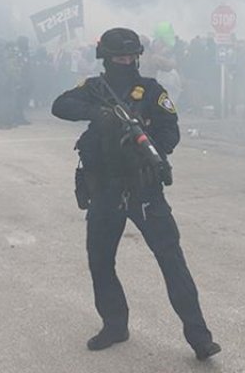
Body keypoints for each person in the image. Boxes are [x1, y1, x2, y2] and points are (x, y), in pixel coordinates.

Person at [51, 27, 220, 361]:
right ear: (107, 58)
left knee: (171, 261)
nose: (126, 61)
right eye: (119, 57)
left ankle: (199, 337)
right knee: (100, 260)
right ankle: (114, 325)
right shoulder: (94, 89)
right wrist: (96, 114)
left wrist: (144, 147)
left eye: (131, 56)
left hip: (144, 188)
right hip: (105, 190)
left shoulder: (154, 91)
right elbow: (60, 105)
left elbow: (171, 133)